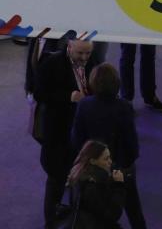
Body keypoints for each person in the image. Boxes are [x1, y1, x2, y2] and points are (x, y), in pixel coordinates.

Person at [70, 63, 145, 229]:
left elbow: (76, 139)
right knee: (133, 209)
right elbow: (131, 143)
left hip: (92, 167)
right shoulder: (124, 107)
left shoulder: (84, 105)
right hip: (120, 168)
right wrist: (125, 165)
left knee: (92, 212)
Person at [35, 35, 96, 227]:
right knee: (56, 181)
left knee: (80, 182)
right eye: (80, 52)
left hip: (82, 135)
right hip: (57, 135)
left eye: (88, 52)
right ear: (69, 46)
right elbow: (39, 93)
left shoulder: (93, 62)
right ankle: (50, 221)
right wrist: (68, 96)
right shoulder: (51, 63)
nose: (85, 57)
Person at [66, 140, 126, 229]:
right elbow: (113, 214)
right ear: (93, 161)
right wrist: (119, 185)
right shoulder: (94, 186)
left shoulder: (78, 174)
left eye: (109, 157)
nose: (110, 162)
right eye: (106, 159)